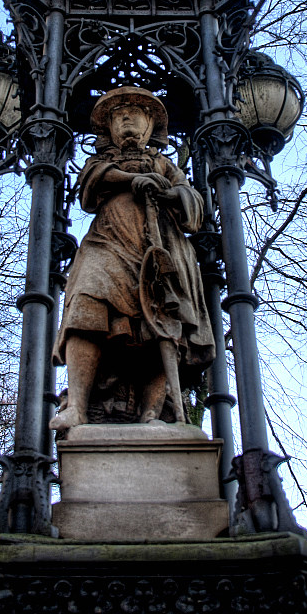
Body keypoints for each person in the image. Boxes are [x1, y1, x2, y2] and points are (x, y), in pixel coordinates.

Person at [50, 86, 214, 430]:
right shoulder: (101, 161)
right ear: (107, 128)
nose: (126, 119)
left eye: (135, 114)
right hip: (107, 241)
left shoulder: (163, 163)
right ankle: (77, 406)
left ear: (149, 125)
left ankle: (153, 413)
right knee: (85, 302)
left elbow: (193, 206)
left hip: (160, 249)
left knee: (160, 326)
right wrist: (133, 179)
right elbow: (91, 185)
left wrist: (170, 191)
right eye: (118, 116)